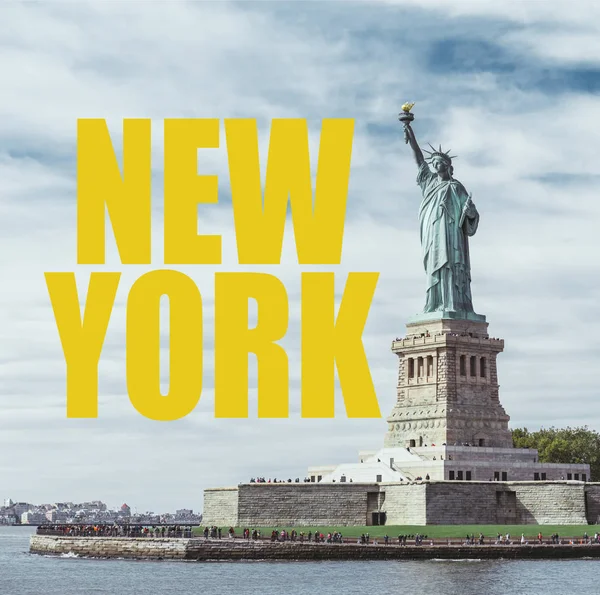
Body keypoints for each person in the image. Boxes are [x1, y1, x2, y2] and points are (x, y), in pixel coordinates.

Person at [403, 122, 480, 314]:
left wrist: (469, 211)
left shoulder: (455, 187)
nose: (436, 165)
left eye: (440, 162)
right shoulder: (428, 182)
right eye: (434, 162)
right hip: (433, 233)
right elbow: (419, 159)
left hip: (451, 234)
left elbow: (472, 215)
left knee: (451, 267)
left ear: (447, 166)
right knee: (434, 267)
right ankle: (435, 304)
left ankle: (454, 304)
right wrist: (410, 133)